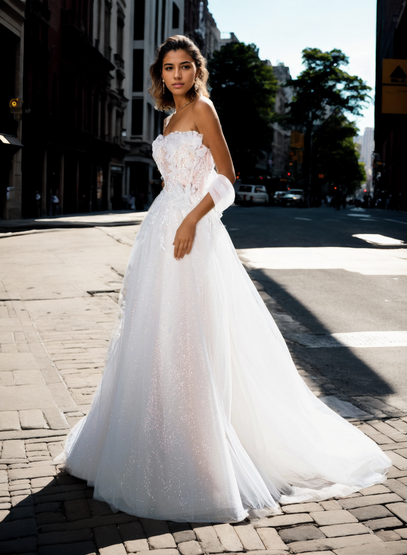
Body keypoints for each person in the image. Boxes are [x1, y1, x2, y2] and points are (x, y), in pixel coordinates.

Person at [56, 35, 391, 523]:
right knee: (152, 335)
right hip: (160, 231)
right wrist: (172, 218)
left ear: (197, 70)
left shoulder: (203, 109)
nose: (176, 74)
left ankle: (199, 448)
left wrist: (192, 219)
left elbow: (228, 178)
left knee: (191, 335)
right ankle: (150, 430)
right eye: (168, 67)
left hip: (194, 234)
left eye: (184, 66)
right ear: (160, 73)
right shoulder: (168, 119)